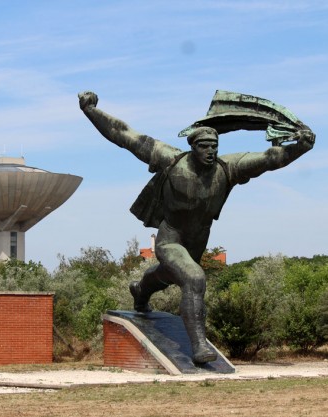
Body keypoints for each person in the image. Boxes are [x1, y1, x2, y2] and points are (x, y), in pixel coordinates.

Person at [78, 91, 315, 363]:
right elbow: (126, 136)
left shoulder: (227, 169)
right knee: (193, 278)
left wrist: (300, 146)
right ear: (193, 146)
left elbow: (270, 159)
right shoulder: (171, 160)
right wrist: (92, 111)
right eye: (204, 146)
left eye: (214, 146)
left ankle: (140, 290)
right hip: (171, 239)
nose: (211, 151)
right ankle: (199, 347)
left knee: (168, 275)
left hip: (197, 242)